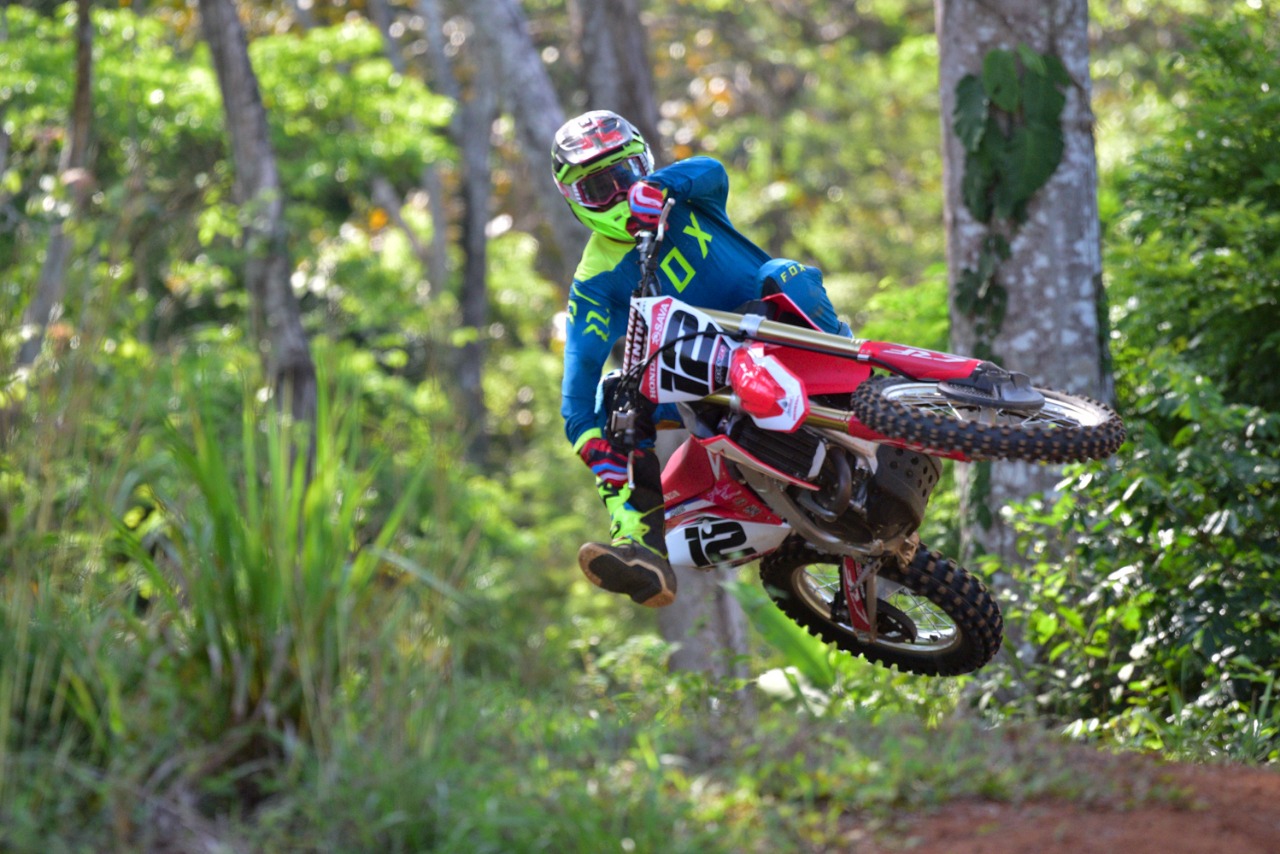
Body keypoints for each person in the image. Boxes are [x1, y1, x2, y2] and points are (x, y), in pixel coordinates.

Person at [552, 109, 845, 609]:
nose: (618, 194)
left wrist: (659, 187)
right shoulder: (595, 281)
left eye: (625, 174)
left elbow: (711, 169)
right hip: (708, 376)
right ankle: (640, 545)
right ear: (576, 201)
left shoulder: (686, 196)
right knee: (613, 394)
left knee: (781, 272)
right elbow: (577, 388)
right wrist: (592, 445)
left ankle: (863, 374)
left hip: (783, 326)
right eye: (599, 189)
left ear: (643, 163)